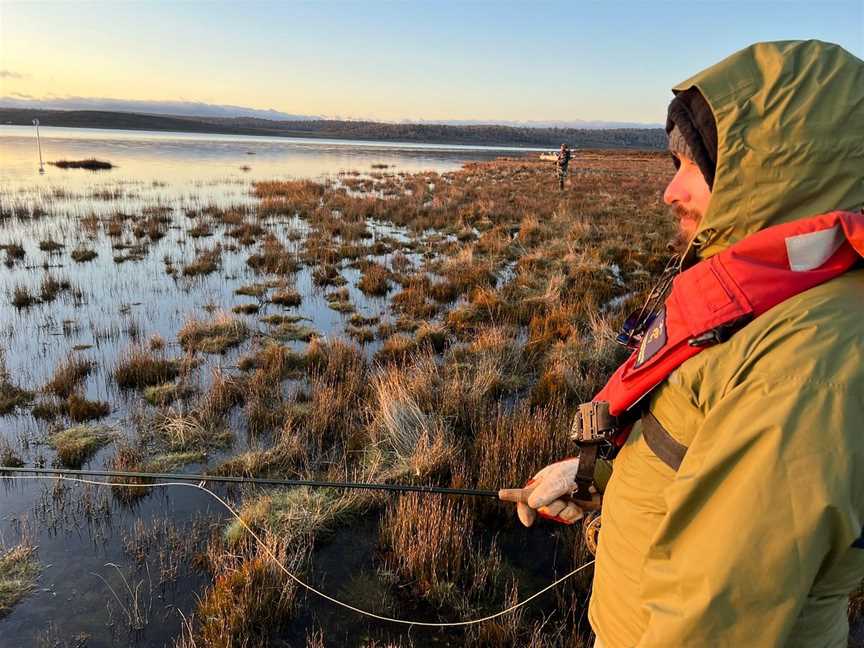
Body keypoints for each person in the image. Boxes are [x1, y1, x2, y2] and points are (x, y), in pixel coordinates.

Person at [501, 40, 864, 647]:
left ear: (774, 174)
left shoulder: (807, 363)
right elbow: (703, 463)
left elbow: (718, 620)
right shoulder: (778, 310)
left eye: (693, 167)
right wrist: (599, 479)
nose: (671, 193)